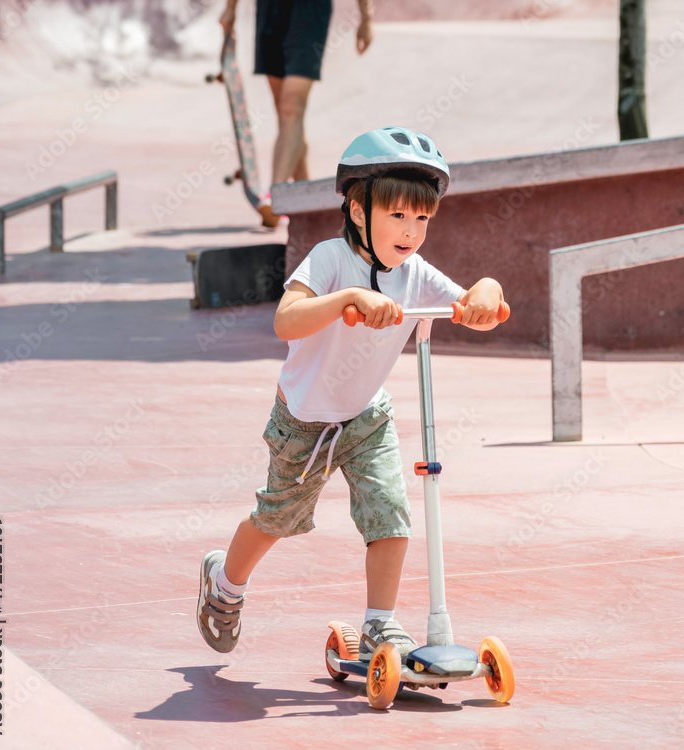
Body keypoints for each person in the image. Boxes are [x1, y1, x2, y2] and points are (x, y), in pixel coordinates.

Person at [197, 126, 506, 657]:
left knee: (390, 514)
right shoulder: (329, 259)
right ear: (359, 211)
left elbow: (481, 308)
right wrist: (349, 297)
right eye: (398, 215)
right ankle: (224, 584)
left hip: (367, 418)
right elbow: (286, 321)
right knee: (276, 520)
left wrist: (486, 290)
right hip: (305, 423)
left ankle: (379, 624)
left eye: (422, 218)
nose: (411, 231)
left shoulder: (414, 272)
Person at [219, 0, 374, 226]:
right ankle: (308, 207)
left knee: (291, 107)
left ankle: (277, 198)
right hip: (269, 11)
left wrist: (365, 17)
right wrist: (230, 9)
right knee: (287, 116)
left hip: (309, 12)